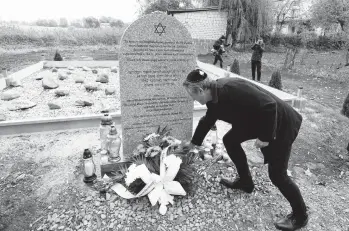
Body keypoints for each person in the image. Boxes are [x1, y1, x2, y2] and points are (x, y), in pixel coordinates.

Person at [183, 69, 309, 231]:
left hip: (280, 123)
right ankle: (245, 182)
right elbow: (208, 120)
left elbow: (269, 106)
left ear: (200, 90)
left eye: (192, 95)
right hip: (258, 121)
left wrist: (264, 137)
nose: (192, 99)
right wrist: (194, 144)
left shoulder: (232, 90)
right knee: (230, 140)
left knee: (278, 175)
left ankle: (301, 216)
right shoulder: (213, 96)